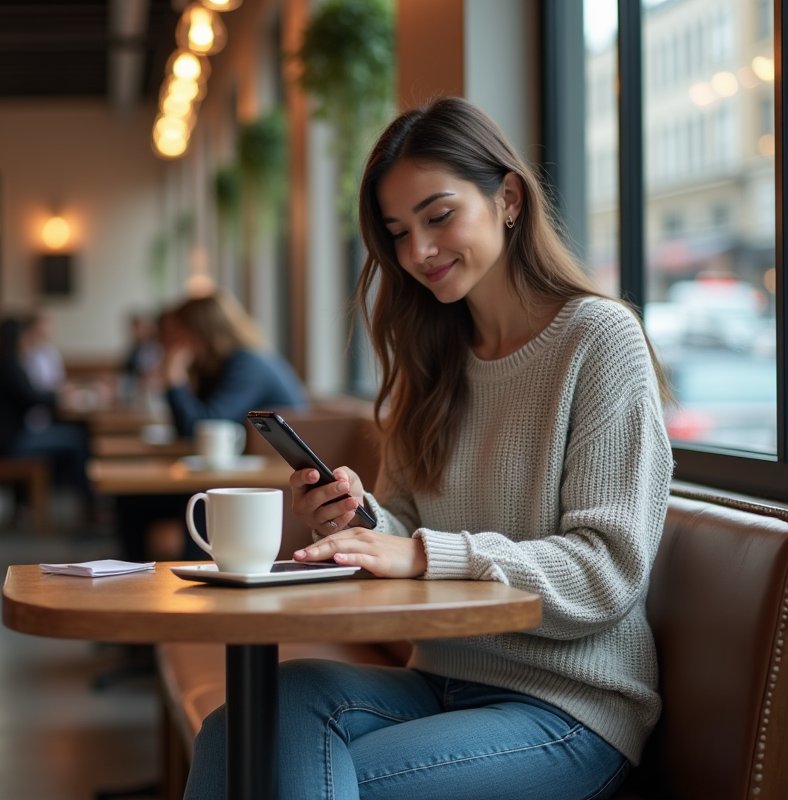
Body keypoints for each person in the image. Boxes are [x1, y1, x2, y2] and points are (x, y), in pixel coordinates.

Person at [185, 98, 674, 799]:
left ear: (507, 198)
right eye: (397, 232)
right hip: (442, 679)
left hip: (570, 709)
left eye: (438, 216)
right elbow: (408, 524)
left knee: (275, 777)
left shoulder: (598, 340)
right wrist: (357, 523)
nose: (416, 252)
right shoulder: (433, 359)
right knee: (239, 729)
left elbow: (607, 572)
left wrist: (414, 553)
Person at [160, 293, 308, 437]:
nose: (169, 343)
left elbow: (199, 430)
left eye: (177, 333)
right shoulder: (218, 367)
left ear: (202, 332)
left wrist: (175, 377)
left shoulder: (248, 365)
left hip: (281, 460)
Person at [0, 316, 92, 504]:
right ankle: (90, 506)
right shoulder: (8, 365)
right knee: (77, 438)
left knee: (72, 435)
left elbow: (31, 395)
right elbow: (32, 397)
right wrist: (61, 396)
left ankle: (82, 503)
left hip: (7, 436)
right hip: (9, 442)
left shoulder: (3, 363)